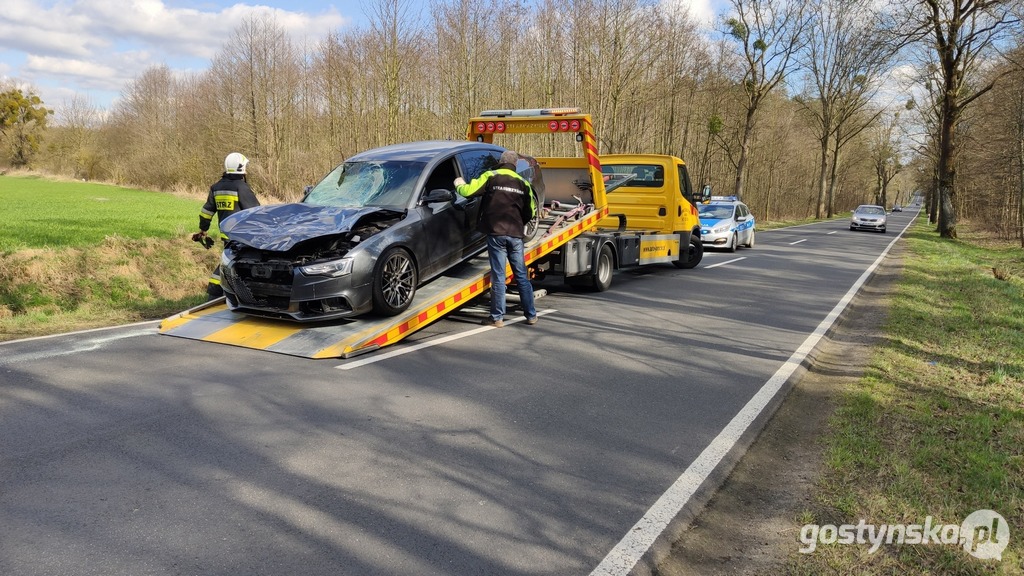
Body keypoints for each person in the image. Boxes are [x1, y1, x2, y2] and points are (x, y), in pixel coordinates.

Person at [455, 150, 538, 327]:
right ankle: (531, 315)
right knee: (521, 275)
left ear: (501, 162)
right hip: (515, 234)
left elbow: (468, 191)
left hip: (496, 233)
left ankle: (497, 318)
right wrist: (518, 222)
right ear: (515, 165)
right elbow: (530, 211)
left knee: (499, 276)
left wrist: (458, 183)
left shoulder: (491, 176)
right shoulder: (523, 183)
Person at [195, 152, 260, 299]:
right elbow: (255, 212)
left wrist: (203, 229)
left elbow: (206, 211)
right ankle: (216, 292)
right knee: (233, 265)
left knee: (231, 263)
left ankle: (224, 294)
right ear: (241, 168)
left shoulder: (216, 187)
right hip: (241, 237)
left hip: (226, 236)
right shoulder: (241, 187)